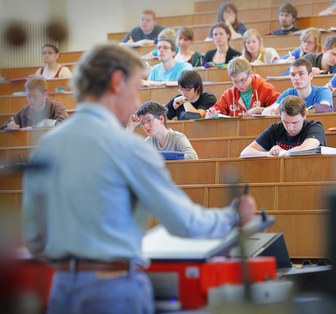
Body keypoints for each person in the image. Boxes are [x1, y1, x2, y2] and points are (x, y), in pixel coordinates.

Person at [22, 44, 256, 313]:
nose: (135, 104)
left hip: (61, 290)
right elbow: (185, 222)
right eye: (135, 89)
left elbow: (34, 237)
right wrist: (233, 216)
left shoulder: (46, 146)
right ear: (117, 82)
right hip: (113, 290)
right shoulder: (128, 147)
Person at [240, 95, 326, 157]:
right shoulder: (275, 129)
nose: (290, 127)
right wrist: (268, 153)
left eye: (295, 122)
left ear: (304, 116)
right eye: (285, 122)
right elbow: (245, 152)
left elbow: (306, 148)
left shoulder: (315, 127)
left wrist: (281, 153)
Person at [205, 57, 279, 117]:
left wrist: (261, 110)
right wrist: (211, 113)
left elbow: (280, 108)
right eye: (235, 81)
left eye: (242, 80)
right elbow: (217, 109)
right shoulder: (229, 94)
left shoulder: (266, 88)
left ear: (250, 73)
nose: (240, 85)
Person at [127, 101, 199, 159]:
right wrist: (130, 128)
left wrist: (166, 156)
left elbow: (193, 157)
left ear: (161, 119)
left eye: (149, 120)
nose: (145, 126)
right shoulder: (149, 141)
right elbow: (129, 156)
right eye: (142, 123)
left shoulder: (178, 137)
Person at [264, 59, 333, 115]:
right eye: (293, 75)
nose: (296, 78)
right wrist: (274, 109)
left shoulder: (323, 91)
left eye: (301, 74)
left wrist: (299, 112)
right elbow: (269, 110)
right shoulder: (288, 93)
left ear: (311, 76)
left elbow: (325, 107)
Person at [0, 76, 68, 130]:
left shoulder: (57, 108)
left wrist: (35, 128)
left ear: (45, 94)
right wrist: (8, 126)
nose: (31, 100)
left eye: (35, 96)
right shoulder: (24, 111)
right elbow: (3, 127)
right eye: (29, 96)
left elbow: (64, 125)